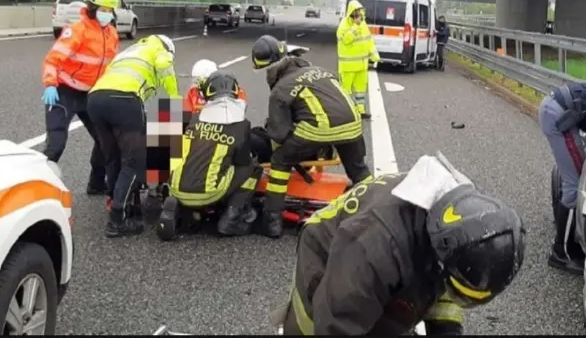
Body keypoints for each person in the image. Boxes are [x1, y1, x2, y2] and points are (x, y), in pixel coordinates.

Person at [274, 153, 526, 335]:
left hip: (383, 251)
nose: (456, 298)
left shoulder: (463, 220)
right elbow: (336, 326)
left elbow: (446, 284)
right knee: (318, 324)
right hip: (327, 254)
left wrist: (446, 328)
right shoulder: (373, 247)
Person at [251, 35, 371, 238]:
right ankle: (375, 208)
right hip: (353, 126)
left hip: (319, 130)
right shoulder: (322, 71)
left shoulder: (281, 89)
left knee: (280, 160)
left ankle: (272, 221)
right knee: (358, 170)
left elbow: (279, 134)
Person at [88, 34, 181, 237]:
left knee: (113, 157)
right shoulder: (159, 49)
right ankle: (117, 219)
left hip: (95, 99)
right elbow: (164, 66)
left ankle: (116, 201)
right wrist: (175, 100)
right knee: (134, 160)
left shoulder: (130, 51)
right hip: (124, 99)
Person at [41, 0, 120, 195]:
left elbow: (110, 66)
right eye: (103, 9)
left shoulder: (111, 34)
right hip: (64, 92)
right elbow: (52, 60)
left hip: (91, 95)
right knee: (56, 144)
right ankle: (40, 188)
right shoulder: (77, 31)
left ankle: (96, 184)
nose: (107, 14)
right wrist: (50, 84)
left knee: (105, 141)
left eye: (109, 10)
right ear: (92, 8)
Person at [167, 72, 261, 236]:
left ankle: (177, 205)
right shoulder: (241, 124)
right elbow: (242, 161)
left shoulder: (193, 119)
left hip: (175, 188)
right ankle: (232, 215)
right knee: (253, 168)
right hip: (210, 193)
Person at [538, 84, 586, 274]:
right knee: (575, 183)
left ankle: (570, 231)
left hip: (556, 109)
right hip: (558, 114)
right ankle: (562, 252)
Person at [336, 0, 380, 120]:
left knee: (361, 89)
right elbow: (346, 40)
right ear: (350, 13)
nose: (358, 15)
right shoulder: (344, 25)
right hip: (348, 66)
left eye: (359, 12)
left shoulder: (363, 24)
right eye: (355, 12)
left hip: (361, 65)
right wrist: (355, 26)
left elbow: (368, 40)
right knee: (346, 90)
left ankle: (360, 110)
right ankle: (347, 112)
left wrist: (374, 55)